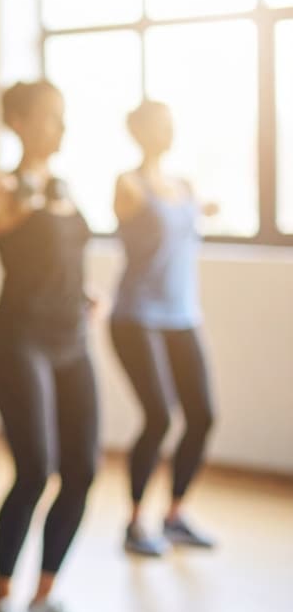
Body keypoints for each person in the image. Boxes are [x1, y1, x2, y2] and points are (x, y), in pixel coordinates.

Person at [0, 81, 99, 612]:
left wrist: (87, 293)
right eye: (49, 118)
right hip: (20, 343)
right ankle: (1, 605)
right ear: (18, 122)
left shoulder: (63, 189)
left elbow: (64, 257)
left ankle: (44, 601)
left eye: (63, 118)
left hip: (72, 339)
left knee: (84, 470)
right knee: (35, 469)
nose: (61, 129)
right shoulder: (3, 191)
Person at [111, 99, 217, 556]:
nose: (167, 132)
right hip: (137, 316)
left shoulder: (184, 186)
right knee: (159, 417)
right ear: (140, 132)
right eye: (159, 125)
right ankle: (136, 523)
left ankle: (174, 516)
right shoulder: (129, 185)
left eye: (171, 124)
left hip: (182, 315)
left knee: (203, 415)